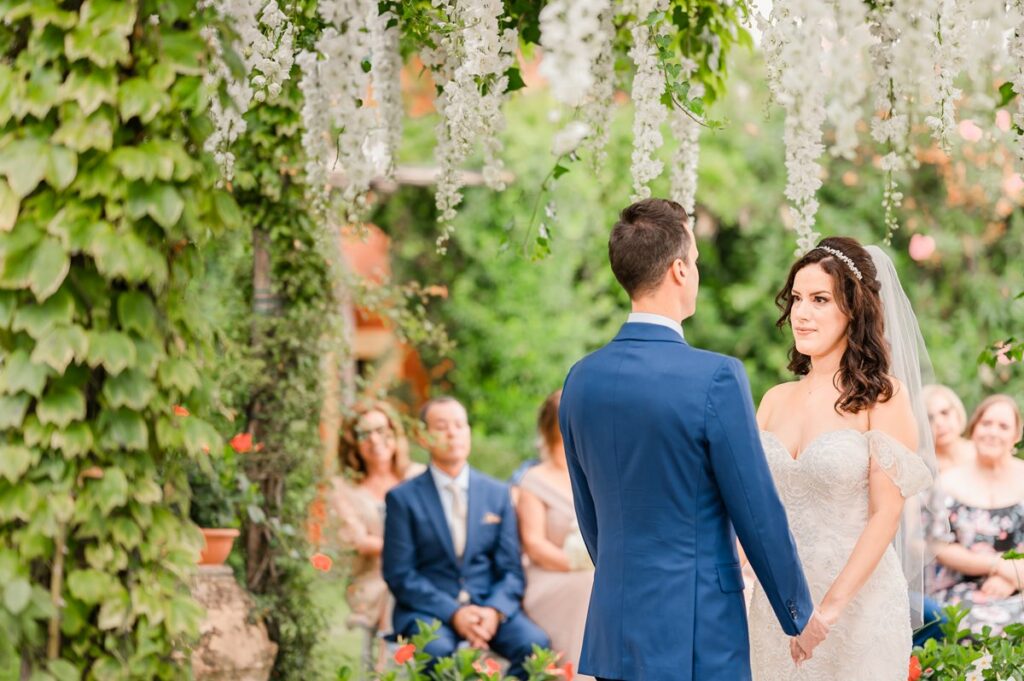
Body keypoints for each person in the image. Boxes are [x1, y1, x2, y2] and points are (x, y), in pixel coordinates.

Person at [559, 198, 814, 681]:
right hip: (698, 632)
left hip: (614, 627)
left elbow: (588, 512)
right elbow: (755, 509)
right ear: (678, 270)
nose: (695, 271)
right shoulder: (715, 377)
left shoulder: (580, 379)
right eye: (695, 262)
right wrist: (796, 611)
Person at [750, 237, 935, 680]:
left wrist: (826, 616)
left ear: (853, 309)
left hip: (856, 608)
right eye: (796, 298)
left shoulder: (882, 399)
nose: (801, 312)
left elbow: (885, 516)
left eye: (819, 299)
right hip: (776, 609)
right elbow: (753, 508)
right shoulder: (773, 400)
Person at [382, 397, 549, 679]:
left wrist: (494, 612)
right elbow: (400, 574)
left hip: (487, 604)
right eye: (442, 426)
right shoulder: (403, 498)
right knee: (436, 652)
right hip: (429, 610)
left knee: (535, 646)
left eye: (460, 425)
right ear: (423, 437)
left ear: (469, 432)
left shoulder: (497, 494)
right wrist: (454, 613)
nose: (453, 433)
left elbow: (511, 570)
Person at [326, 402, 424, 666]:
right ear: (353, 445)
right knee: (395, 585)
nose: (375, 439)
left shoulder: (418, 477)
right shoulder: (344, 489)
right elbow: (360, 542)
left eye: (381, 430)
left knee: (405, 583)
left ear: (395, 433)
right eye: (364, 434)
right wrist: (407, 548)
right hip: (372, 578)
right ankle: (385, 667)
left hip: (423, 571)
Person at [929, 394, 1024, 635]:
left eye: (1003, 426)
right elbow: (939, 546)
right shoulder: (947, 484)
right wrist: (998, 566)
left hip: (1020, 582)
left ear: (1016, 436)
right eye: (986, 423)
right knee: (981, 626)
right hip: (963, 587)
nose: (993, 432)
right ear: (974, 429)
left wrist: (1012, 578)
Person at [517, 390, 594, 681]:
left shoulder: (596, 472)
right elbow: (534, 544)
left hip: (594, 572)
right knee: (589, 586)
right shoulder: (535, 480)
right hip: (550, 576)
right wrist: (577, 564)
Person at [923, 384, 976, 474]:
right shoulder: (923, 466)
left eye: (944, 413)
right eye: (930, 418)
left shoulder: (981, 451)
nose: (938, 422)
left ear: (958, 413)